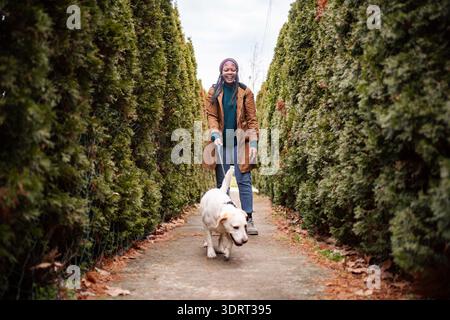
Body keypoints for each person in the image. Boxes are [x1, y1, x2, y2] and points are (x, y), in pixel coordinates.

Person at [205, 58, 260, 235]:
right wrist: (214, 133)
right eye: (226, 69)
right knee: (223, 183)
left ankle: (248, 219)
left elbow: (252, 119)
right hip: (222, 142)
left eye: (233, 69)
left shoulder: (245, 91)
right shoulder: (214, 91)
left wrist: (253, 143)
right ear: (221, 72)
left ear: (236, 71)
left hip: (240, 142)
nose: (230, 72)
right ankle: (225, 219)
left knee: (244, 179)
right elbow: (211, 115)